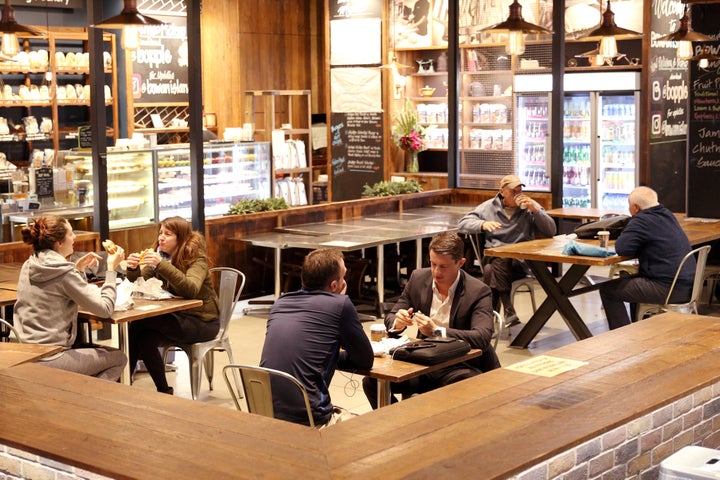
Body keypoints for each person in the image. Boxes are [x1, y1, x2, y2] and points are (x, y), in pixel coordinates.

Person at [362, 231, 500, 409]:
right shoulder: (419, 278)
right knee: (372, 382)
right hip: (423, 363)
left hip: (459, 365)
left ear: (461, 263)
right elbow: (391, 316)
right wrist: (398, 321)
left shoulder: (478, 291)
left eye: (443, 266)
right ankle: (400, 426)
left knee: (466, 384)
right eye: (433, 264)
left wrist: (436, 331)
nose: (436, 271)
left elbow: (482, 337)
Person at [260, 248, 373, 428]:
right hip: (308, 419)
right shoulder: (340, 305)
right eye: (344, 277)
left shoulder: (280, 303)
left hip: (264, 414)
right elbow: (365, 360)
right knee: (366, 431)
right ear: (335, 286)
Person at [14, 215, 127, 381]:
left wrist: (78, 269)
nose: (75, 237)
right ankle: (86, 404)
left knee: (89, 352)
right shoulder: (64, 273)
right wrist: (111, 268)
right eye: (71, 233)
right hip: (49, 357)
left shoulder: (30, 263)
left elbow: (60, 290)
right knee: (118, 358)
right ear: (59, 243)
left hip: (22, 350)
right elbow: (104, 309)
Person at [125, 216, 220, 394]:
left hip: (204, 322)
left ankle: (122, 382)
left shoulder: (195, 257)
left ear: (180, 238)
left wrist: (161, 265)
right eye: (160, 233)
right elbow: (139, 282)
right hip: (181, 317)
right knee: (145, 337)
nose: (161, 238)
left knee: (139, 325)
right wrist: (133, 269)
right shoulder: (162, 256)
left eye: (167, 234)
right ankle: (163, 390)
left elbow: (191, 289)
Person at [457, 174, 556, 325]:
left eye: (519, 191)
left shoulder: (529, 206)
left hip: (519, 262)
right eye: (513, 191)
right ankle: (508, 311)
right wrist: (482, 224)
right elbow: (462, 224)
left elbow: (550, 231)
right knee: (498, 260)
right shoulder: (488, 207)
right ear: (502, 192)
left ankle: (492, 315)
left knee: (490, 270)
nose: (518, 195)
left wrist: (535, 211)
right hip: (494, 257)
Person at [599, 186, 695, 329]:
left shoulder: (641, 220)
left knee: (608, 290)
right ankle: (637, 329)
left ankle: (621, 336)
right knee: (629, 280)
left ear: (636, 208)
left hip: (669, 289)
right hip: (689, 286)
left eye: (629, 206)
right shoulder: (667, 214)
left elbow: (622, 248)